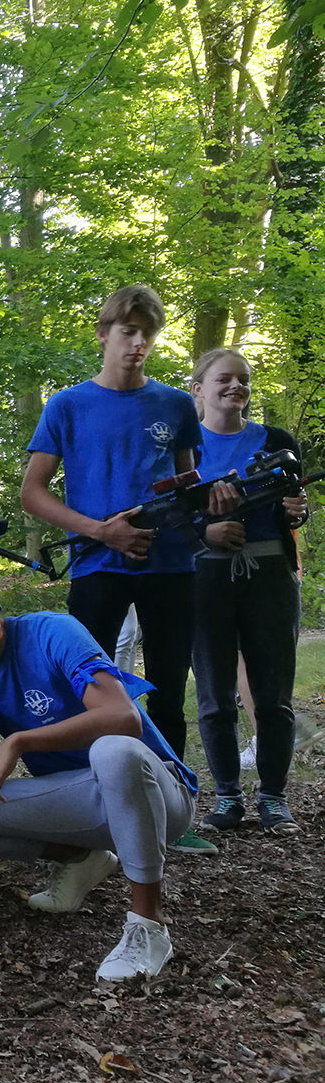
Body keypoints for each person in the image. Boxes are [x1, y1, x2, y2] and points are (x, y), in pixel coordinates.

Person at [0, 554, 198, 982]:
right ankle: (82, 859)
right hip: (81, 801)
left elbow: (124, 718)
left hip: (158, 796)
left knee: (113, 752)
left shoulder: (52, 630)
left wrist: (19, 740)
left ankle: (148, 926)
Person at [19, 284, 230, 855]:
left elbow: (189, 487)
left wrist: (212, 508)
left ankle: (173, 810)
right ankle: (86, 805)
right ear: (103, 334)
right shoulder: (66, 406)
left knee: (164, 689)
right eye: (128, 332)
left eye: (148, 334)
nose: (138, 344)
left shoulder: (176, 406)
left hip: (170, 568)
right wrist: (100, 531)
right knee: (85, 690)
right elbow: (31, 494)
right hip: (96, 566)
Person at [188, 348, 309, 835]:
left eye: (243, 380)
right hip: (203, 580)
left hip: (271, 576)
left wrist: (298, 513)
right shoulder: (182, 447)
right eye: (224, 379)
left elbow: (294, 506)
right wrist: (207, 532)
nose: (236, 387)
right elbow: (167, 517)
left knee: (273, 692)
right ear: (197, 388)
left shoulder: (276, 441)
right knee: (215, 694)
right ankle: (227, 797)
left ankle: (274, 798)